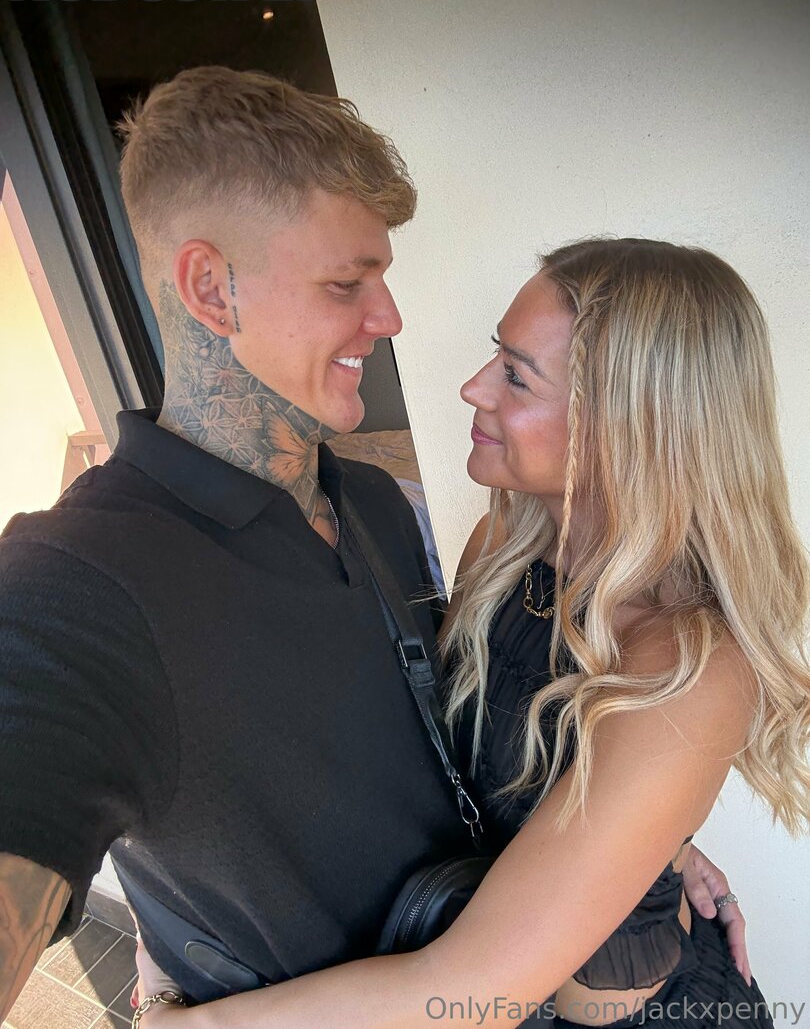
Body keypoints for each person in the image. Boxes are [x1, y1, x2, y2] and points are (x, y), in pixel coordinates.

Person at [0, 68, 743, 1023]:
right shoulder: (72, 586)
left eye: (381, 279)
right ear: (211, 289)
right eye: (347, 284)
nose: (390, 319)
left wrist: (635, 837)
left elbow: (449, 745)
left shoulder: (375, 505)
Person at [131, 238, 808, 1028]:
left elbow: (474, 992)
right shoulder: (505, 549)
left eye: (516, 375)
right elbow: (479, 753)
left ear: (631, 427)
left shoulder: (690, 662)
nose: (472, 387)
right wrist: (650, 841)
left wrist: (184, 1023)